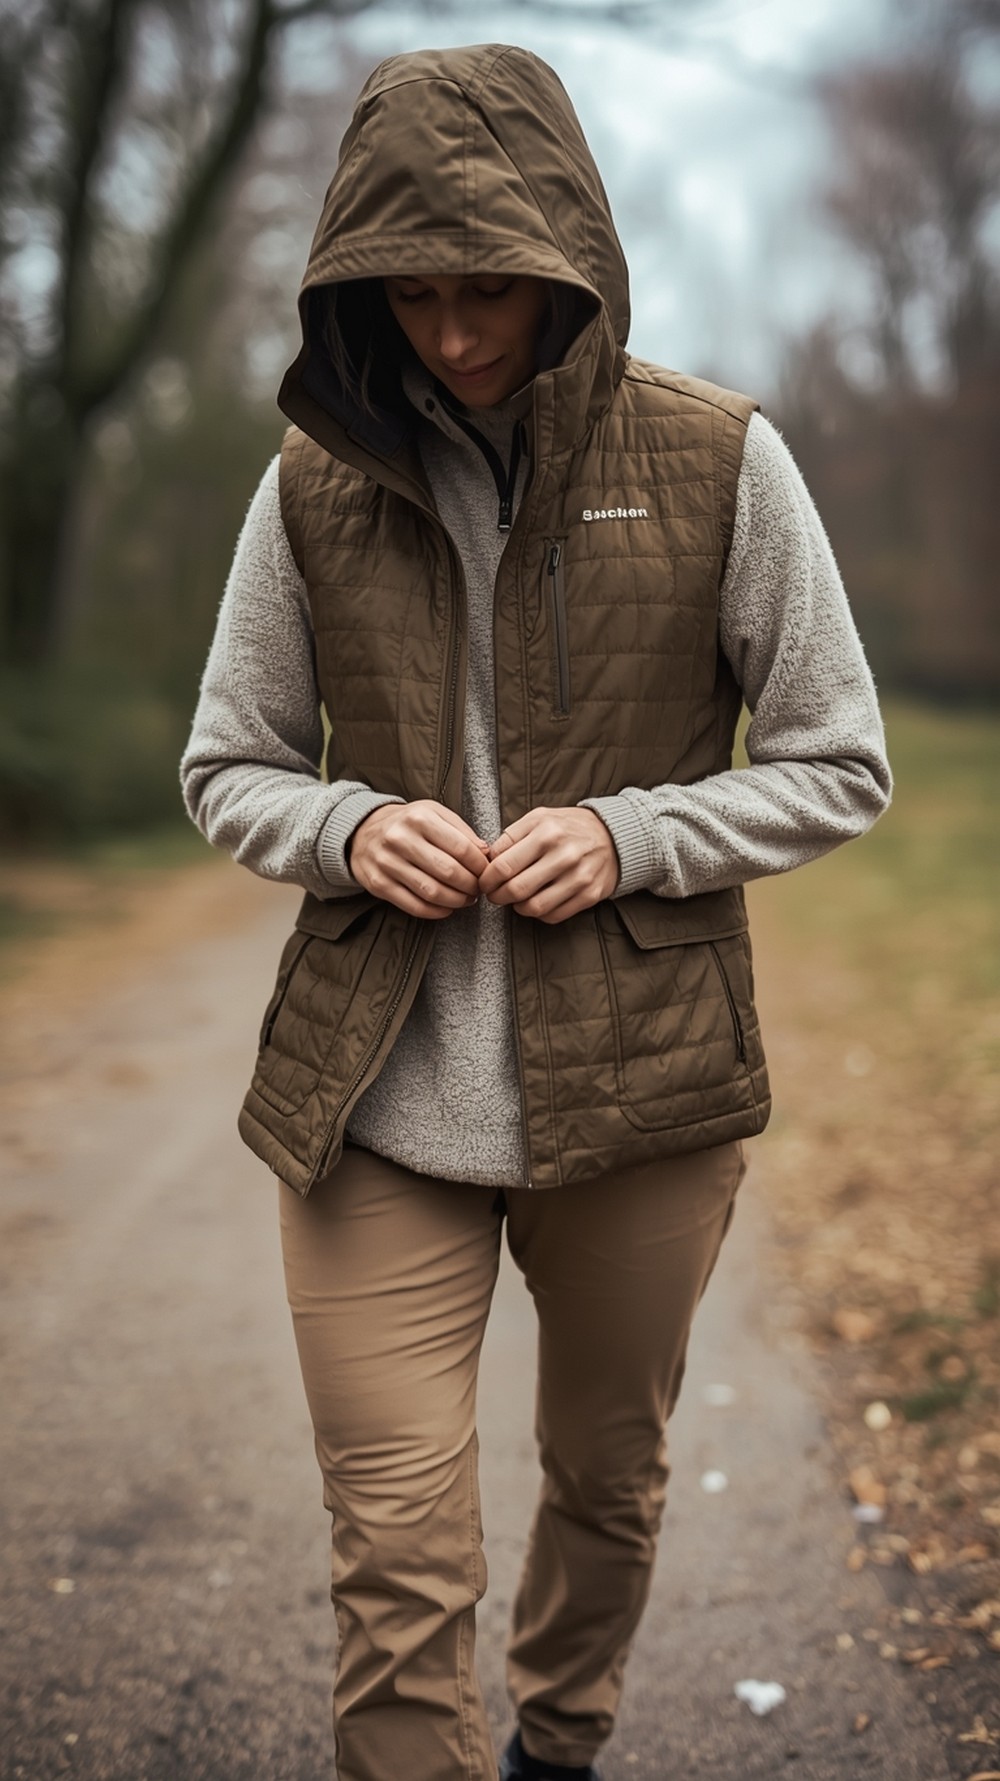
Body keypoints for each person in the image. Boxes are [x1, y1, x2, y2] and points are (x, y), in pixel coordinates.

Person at [181, 42, 891, 1781]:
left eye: (486, 286)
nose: (453, 333)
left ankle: (562, 1742)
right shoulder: (307, 483)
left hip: (640, 1099)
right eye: (408, 295)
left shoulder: (726, 458)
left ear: (566, 254)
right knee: (397, 1543)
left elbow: (838, 759)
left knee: (604, 1479)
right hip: (374, 1101)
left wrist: (636, 834)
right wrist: (347, 827)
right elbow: (229, 762)